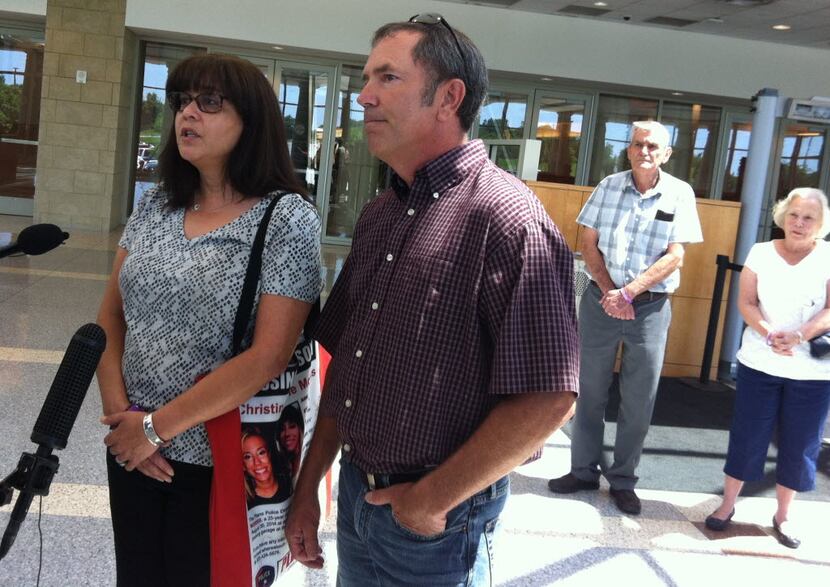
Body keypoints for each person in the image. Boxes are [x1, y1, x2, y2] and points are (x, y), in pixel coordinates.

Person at [285, 15, 579, 586]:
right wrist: (309, 486)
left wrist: (429, 500)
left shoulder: (507, 219)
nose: (363, 95)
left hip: (439, 520)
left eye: (387, 78)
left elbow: (550, 397)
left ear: (449, 97)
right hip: (359, 495)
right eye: (367, 78)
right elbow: (348, 367)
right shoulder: (380, 215)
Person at [96, 53, 321, 586]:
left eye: (209, 102)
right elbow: (108, 319)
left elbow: (267, 356)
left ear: (252, 121)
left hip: (222, 459)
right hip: (132, 448)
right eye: (181, 102)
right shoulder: (156, 205)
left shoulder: (286, 217)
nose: (187, 114)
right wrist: (123, 422)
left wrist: (155, 429)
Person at [548, 120, 703, 515]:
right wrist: (610, 291)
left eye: (653, 146)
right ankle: (582, 471)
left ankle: (623, 479)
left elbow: (675, 255)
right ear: (628, 149)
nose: (644, 151)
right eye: (638, 144)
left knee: (639, 398)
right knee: (588, 391)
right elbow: (588, 242)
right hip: (601, 301)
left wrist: (630, 293)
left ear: (666, 154)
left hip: (649, 308)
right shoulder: (608, 186)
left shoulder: (680, 194)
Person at [705, 188, 830, 549]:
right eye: (793, 215)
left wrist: (800, 336)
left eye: (808, 218)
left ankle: (784, 515)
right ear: (782, 216)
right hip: (760, 362)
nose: (799, 223)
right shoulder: (761, 252)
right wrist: (770, 333)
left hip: (811, 372)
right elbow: (746, 301)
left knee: (801, 443)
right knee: (747, 435)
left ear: (820, 224)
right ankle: (728, 505)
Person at [242, 426, 292, 507]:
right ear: (243, 466)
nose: (257, 462)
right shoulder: (244, 502)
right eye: (248, 457)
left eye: (261, 453)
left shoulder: (289, 482)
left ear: (269, 454)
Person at [277, 402, 305, 480]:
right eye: (282, 429)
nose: (287, 434)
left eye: (292, 426)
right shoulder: (280, 466)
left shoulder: (310, 457)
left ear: (300, 429)